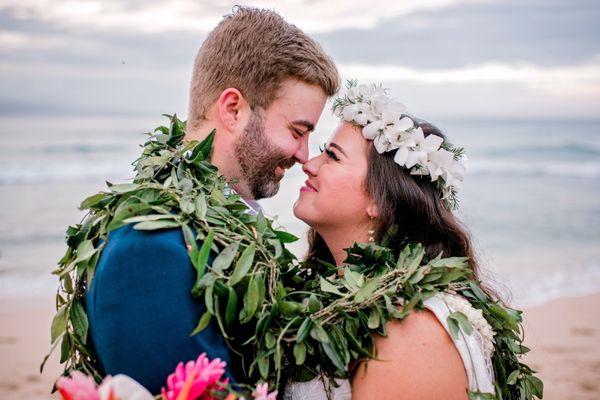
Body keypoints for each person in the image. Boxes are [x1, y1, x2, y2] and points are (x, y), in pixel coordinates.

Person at [85, 6, 339, 394]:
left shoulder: (234, 231)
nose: (304, 154)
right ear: (233, 109)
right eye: (296, 130)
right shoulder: (150, 247)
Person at [289, 83, 493, 400]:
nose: (309, 164)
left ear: (381, 202)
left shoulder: (410, 328)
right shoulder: (326, 295)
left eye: (332, 156)